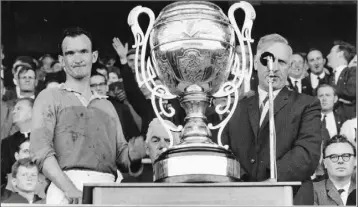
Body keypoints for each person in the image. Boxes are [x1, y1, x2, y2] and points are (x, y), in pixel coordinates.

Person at [29, 27, 146, 204]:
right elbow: (40, 151)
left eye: (83, 51)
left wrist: (134, 153)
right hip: (66, 191)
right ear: (62, 59)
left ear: (94, 56)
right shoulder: (49, 97)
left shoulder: (107, 105)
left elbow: (122, 158)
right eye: (70, 53)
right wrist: (69, 188)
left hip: (107, 189)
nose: (77, 59)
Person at [223, 34, 322, 205]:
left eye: (282, 62)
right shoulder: (235, 107)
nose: (273, 67)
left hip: (290, 197)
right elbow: (226, 153)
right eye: (266, 60)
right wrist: (248, 186)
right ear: (255, 62)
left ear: (289, 67)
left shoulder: (307, 104)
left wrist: (271, 177)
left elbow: (307, 154)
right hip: (242, 198)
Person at [313, 135, 356, 205]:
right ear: (325, 163)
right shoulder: (312, 191)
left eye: (346, 156)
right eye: (334, 157)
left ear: (355, 160)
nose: (340, 161)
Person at [327, 40, 356, 120]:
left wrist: (329, 92)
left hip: (349, 123)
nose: (327, 56)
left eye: (331, 52)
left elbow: (351, 92)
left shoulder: (353, 71)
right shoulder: (329, 78)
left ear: (340, 54)